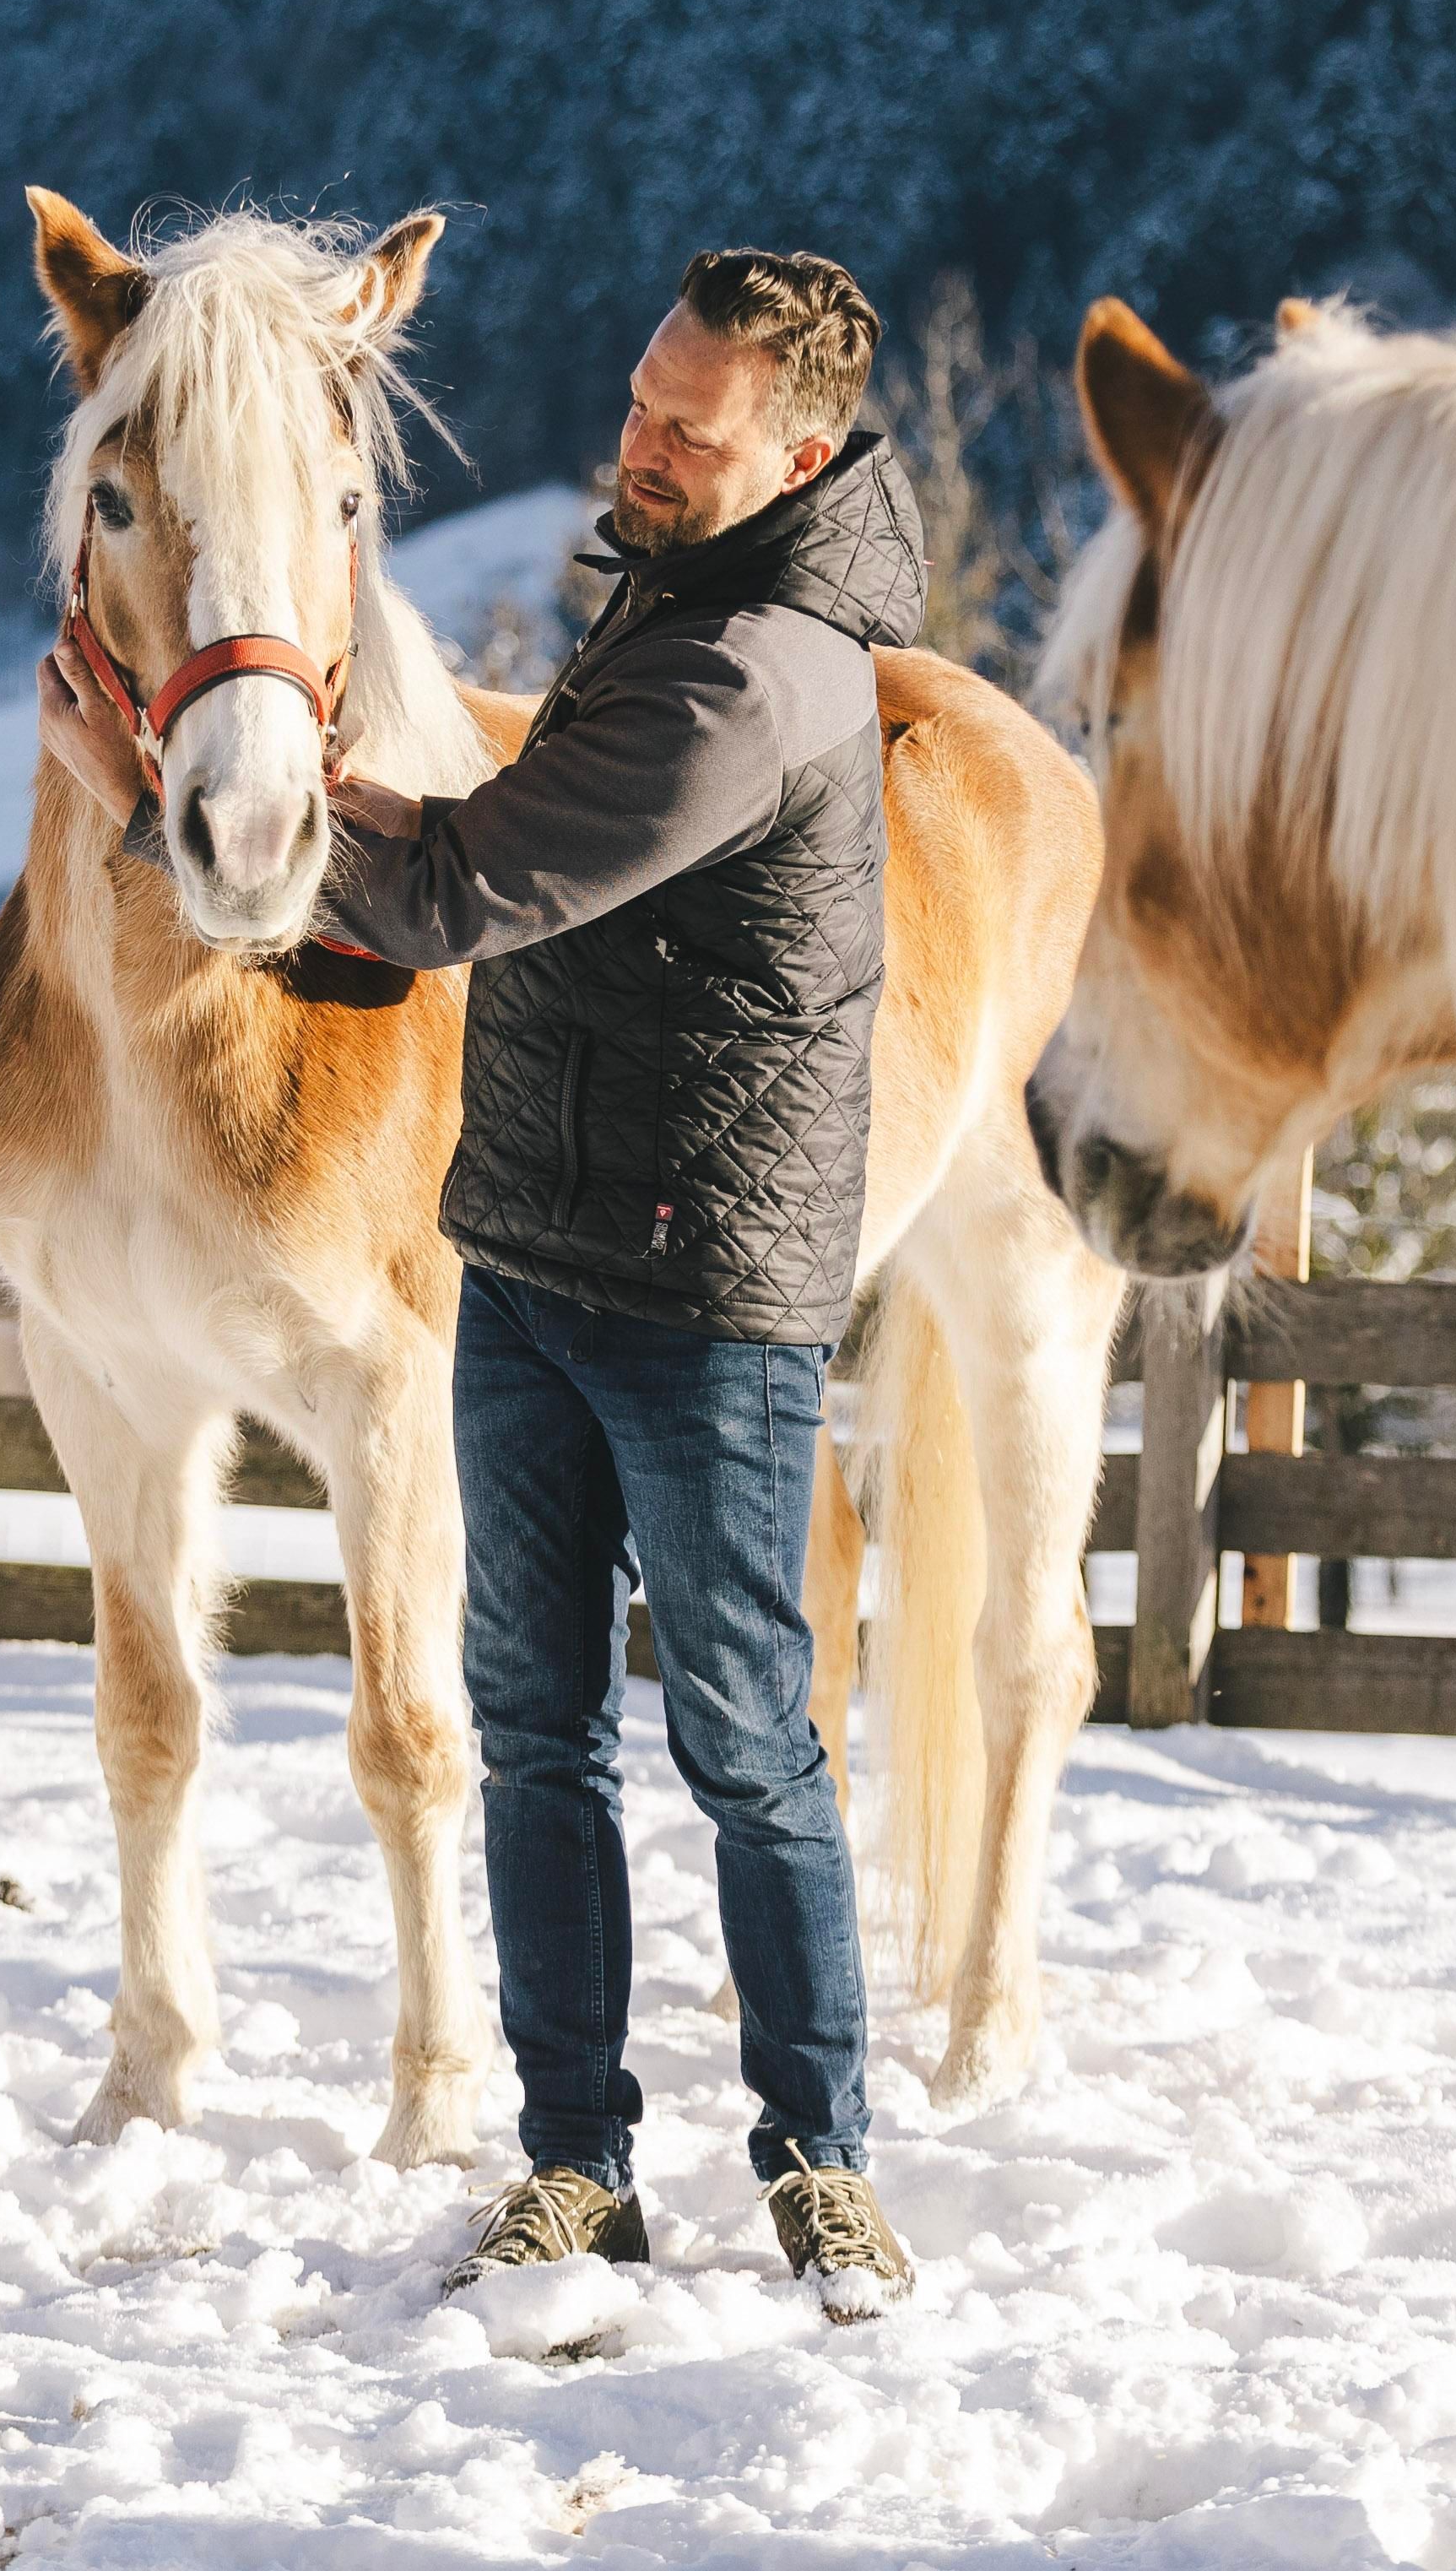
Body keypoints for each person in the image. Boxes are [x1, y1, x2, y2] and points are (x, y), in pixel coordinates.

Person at [51, 246, 925, 2314]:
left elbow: (473, 878)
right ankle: (573, 2153)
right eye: (637, 390)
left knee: (742, 1727)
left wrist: (170, 816)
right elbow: (479, 841)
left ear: (796, 454)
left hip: (696, 1280)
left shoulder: (761, 670)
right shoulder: (672, 594)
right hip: (532, 1240)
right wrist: (242, 765)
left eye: (687, 427)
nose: (635, 437)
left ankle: (818, 2145)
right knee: (534, 1725)